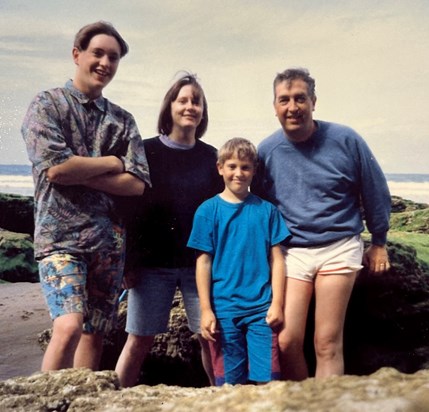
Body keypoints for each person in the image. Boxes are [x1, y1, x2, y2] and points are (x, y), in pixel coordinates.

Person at [21, 21, 151, 372]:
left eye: (113, 57)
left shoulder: (123, 120)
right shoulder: (46, 105)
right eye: (98, 53)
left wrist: (80, 173)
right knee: (68, 326)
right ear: (77, 54)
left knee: (95, 334)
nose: (105, 63)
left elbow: (137, 184)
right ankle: (43, 403)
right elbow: (56, 170)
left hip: (109, 244)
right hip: (60, 240)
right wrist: (111, 163)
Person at [253, 67, 391, 380]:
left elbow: (375, 189)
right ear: (274, 106)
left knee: (326, 342)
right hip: (293, 252)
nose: (293, 107)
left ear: (314, 101)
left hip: (339, 247)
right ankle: (305, 402)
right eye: (284, 100)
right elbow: (259, 209)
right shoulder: (267, 150)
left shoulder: (346, 139)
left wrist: (379, 242)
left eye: (300, 98)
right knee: (287, 341)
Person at [115, 73, 223, 387]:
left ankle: (227, 401)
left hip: (198, 266)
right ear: (170, 106)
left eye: (197, 101)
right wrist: (128, 263)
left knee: (210, 338)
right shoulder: (145, 152)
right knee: (138, 340)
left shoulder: (212, 158)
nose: (190, 106)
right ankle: (113, 401)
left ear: (203, 110)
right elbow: (128, 211)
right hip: (150, 266)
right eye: (183, 100)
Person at [187, 137, 291, 385]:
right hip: (224, 310)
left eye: (245, 167)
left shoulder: (267, 211)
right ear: (220, 168)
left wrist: (277, 304)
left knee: (268, 383)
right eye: (232, 166)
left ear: (254, 170)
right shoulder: (207, 210)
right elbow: (203, 263)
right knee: (230, 385)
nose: (238, 173)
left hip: (261, 311)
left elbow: (278, 261)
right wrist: (205, 310)